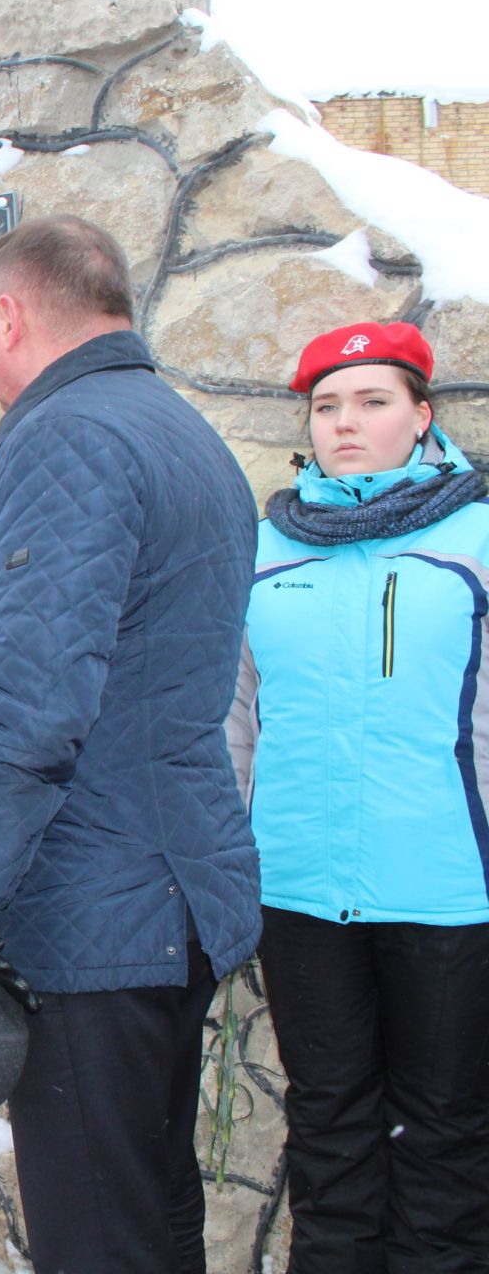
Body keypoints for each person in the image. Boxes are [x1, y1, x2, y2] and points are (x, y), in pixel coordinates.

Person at [0, 215, 261, 1273]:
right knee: (153, 1209)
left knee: (99, 1236)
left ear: (10, 315)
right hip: (166, 893)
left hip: (91, 914)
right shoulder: (181, 431)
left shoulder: (68, 435)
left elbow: (29, 706)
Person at [228, 321, 489, 1271]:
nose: (346, 423)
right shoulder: (265, 547)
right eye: (327, 406)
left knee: (446, 1135)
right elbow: (236, 722)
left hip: (451, 893)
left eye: (373, 401)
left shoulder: (479, 535)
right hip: (299, 895)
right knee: (328, 1125)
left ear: (422, 416)